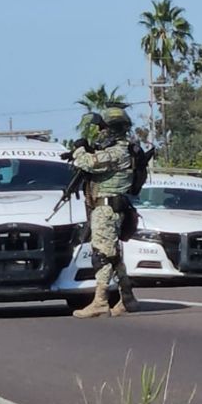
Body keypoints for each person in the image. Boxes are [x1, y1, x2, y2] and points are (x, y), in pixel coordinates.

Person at [70, 106, 140, 317]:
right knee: (114, 255)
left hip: (106, 208)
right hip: (111, 207)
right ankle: (127, 298)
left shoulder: (118, 151)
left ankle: (100, 301)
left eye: (102, 127)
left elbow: (89, 163)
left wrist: (80, 149)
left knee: (102, 255)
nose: (100, 131)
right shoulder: (123, 148)